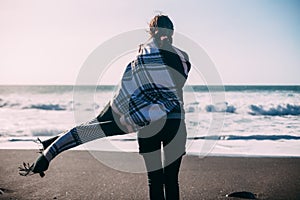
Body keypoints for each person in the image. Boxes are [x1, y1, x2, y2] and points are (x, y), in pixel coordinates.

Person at [19, 14, 191, 200]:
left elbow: (121, 101)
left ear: (150, 32)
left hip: (147, 124)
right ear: (172, 31)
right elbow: (174, 89)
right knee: (172, 180)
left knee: (155, 180)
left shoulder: (139, 61)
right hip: (175, 124)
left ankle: (54, 146)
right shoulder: (182, 58)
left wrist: (52, 148)